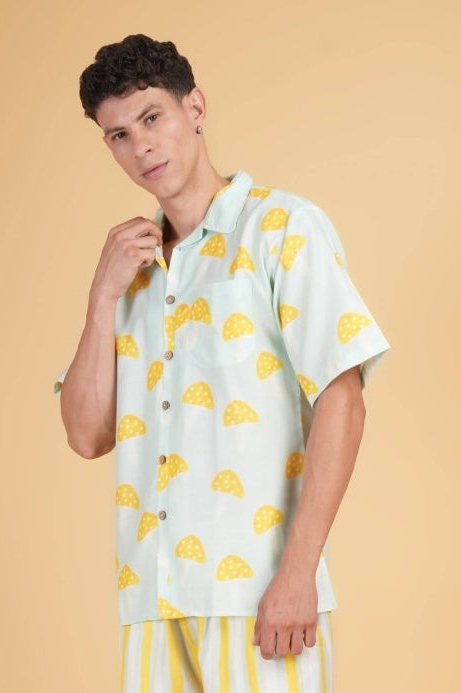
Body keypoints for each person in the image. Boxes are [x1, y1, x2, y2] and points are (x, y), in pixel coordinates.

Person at [53, 33, 391, 692]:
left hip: (260, 598)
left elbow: (343, 399)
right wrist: (101, 297)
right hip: (151, 601)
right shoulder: (129, 271)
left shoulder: (281, 228)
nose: (141, 146)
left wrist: (299, 571)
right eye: (119, 134)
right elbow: (86, 434)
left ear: (195, 108)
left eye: (152, 117)